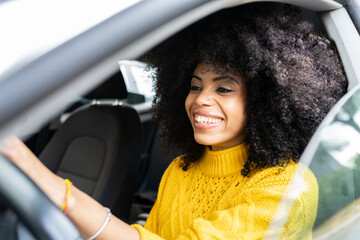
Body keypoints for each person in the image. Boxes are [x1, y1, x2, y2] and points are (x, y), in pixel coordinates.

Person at [0, 3, 348, 240]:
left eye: (224, 88)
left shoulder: (286, 189)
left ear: (265, 101)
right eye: (195, 86)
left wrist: (49, 184)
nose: (200, 99)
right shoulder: (180, 169)